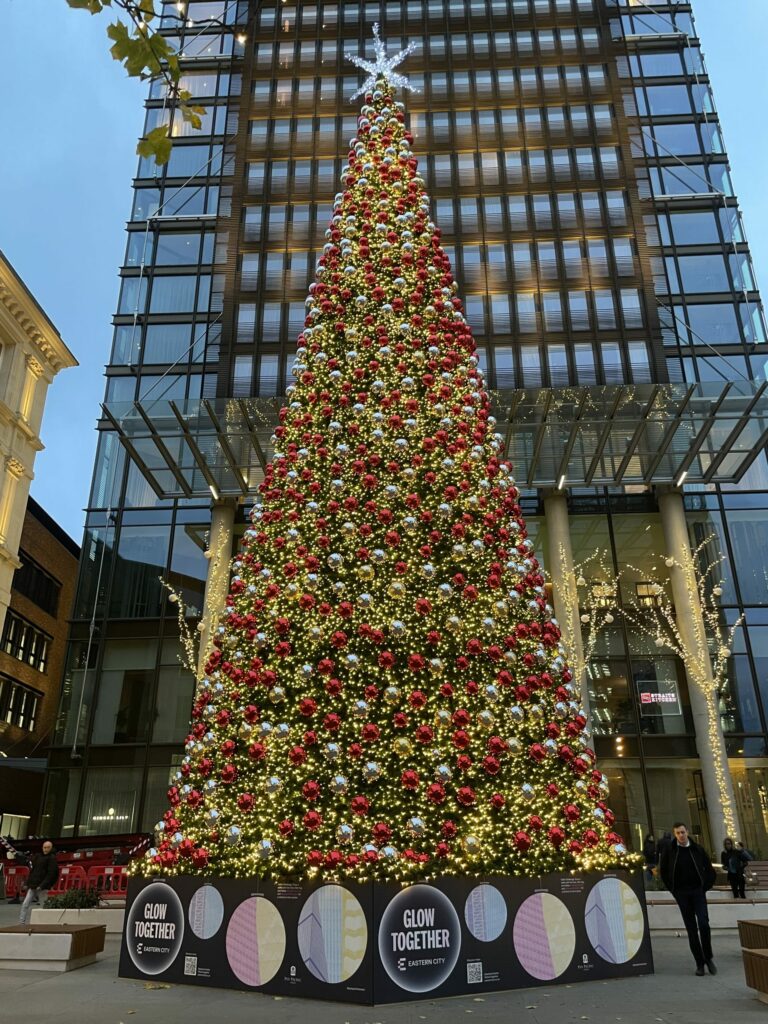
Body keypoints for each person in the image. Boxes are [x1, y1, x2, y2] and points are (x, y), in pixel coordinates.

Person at [659, 822, 717, 977]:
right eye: (677, 833)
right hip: (681, 893)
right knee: (691, 929)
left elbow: (709, 870)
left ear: (687, 832)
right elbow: (663, 870)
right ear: (674, 834)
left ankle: (708, 957)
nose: (681, 836)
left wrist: (704, 887)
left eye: (683, 832)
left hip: (697, 891)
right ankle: (699, 963)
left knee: (704, 923)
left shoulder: (697, 849)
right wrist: (673, 890)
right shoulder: (670, 850)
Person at [19, 841, 58, 925]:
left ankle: (46, 923)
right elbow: (33, 872)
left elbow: (51, 874)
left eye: (48, 847)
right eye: (44, 847)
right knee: (25, 904)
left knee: (44, 906)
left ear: (51, 848)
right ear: (42, 848)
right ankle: (21, 923)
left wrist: (42, 885)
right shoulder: (38, 857)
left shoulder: (52, 858)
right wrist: (27, 883)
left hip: (42, 887)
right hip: (33, 885)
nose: (46, 849)